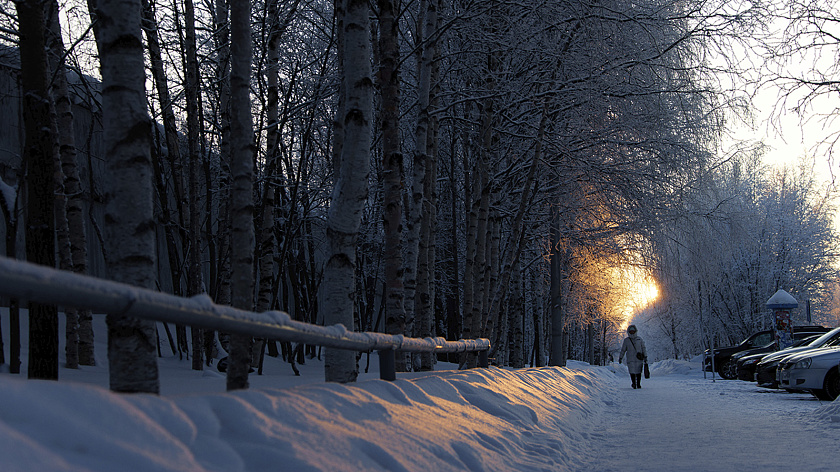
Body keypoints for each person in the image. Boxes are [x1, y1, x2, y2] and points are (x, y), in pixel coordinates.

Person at [618, 324, 648, 389]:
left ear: (635, 331)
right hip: (630, 359)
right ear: (629, 332)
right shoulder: (626, 340)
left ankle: (638, 384)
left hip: (638, 358)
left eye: (633, 331)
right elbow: (623, 350)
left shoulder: (639, 339)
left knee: (638, 371)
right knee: (632, 372)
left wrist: (645, 356)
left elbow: (643, 348)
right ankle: (634, 383)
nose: (632, 332)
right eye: (631, 331)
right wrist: (620, 357)